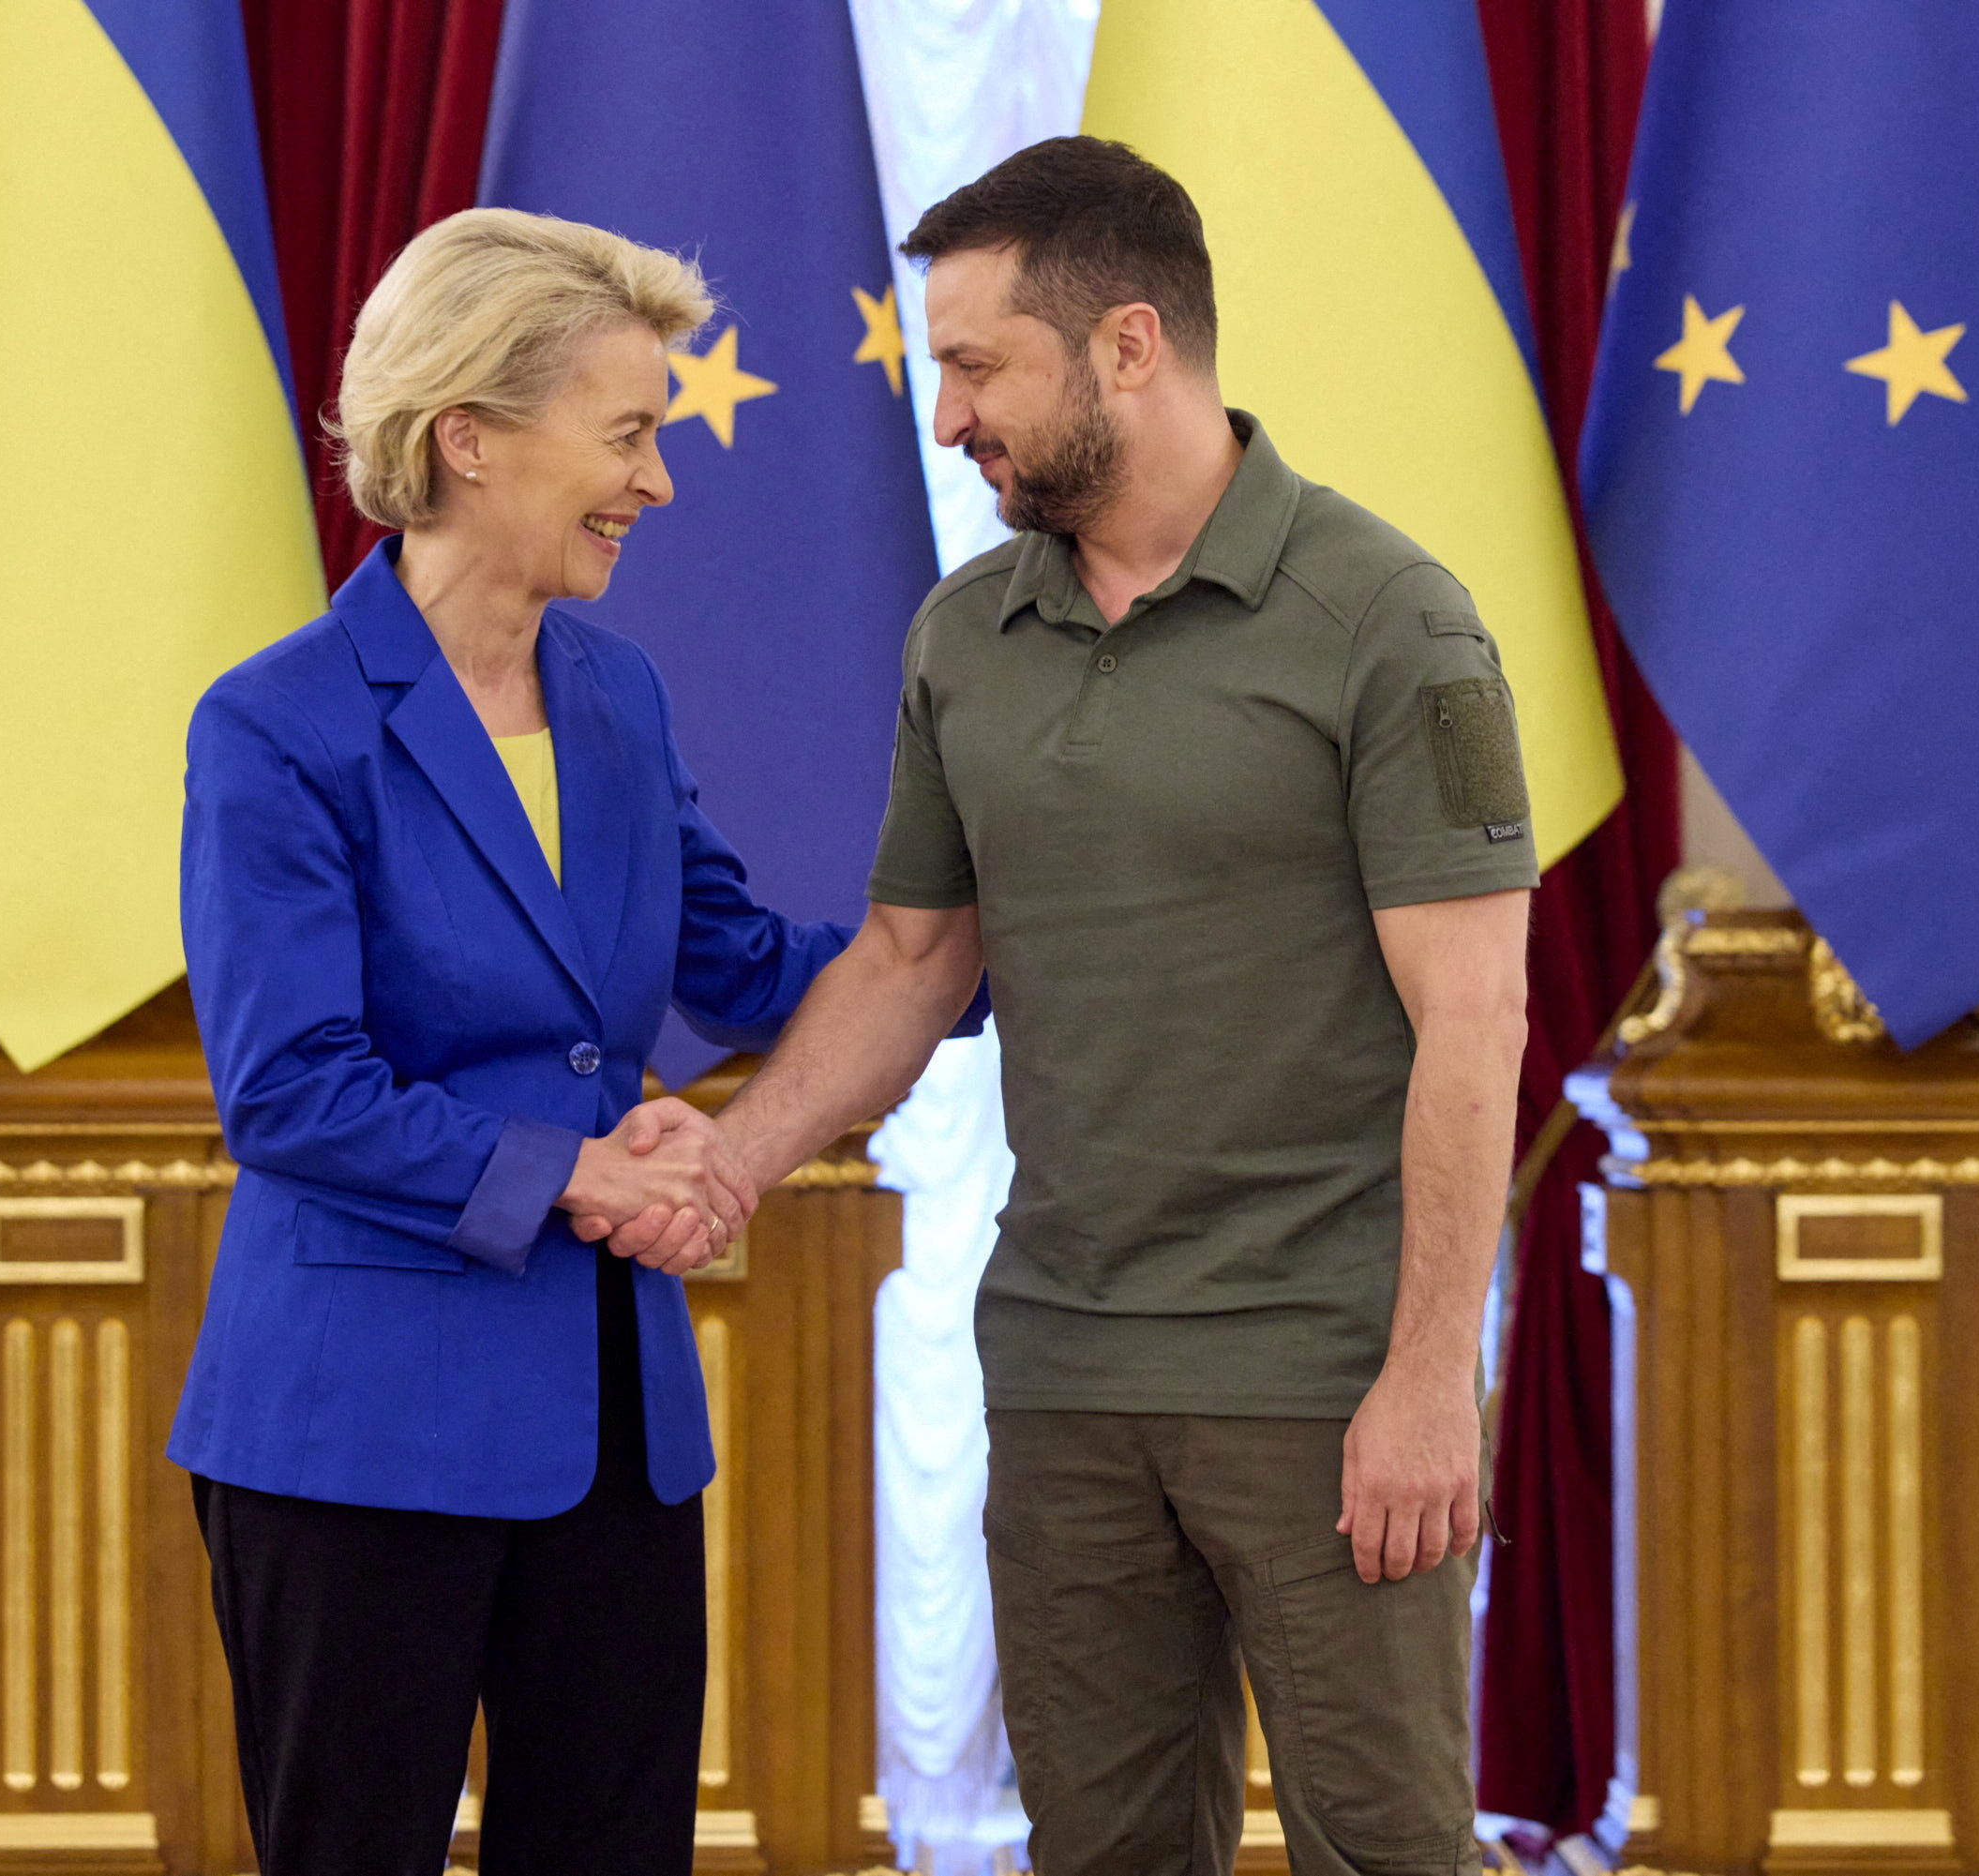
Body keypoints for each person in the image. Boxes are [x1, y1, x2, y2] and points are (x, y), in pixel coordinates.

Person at [621, 137, 1537, 1876]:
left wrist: (1431, 1376)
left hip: (1326, 1382)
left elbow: (1476, 1022)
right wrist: (732, 1164)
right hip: (1059, 1371)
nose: (948, 416)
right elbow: (912, 959)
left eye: (977, 366)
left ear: (1127, 345)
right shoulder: (965, 636)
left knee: (1392, 1851)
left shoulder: (1392, 622)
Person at [168, 207, 848, 1876]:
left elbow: (741, 964)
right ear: (468, 438)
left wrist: (993, 930)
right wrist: (577, 1178)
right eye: (627, 435)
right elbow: (288, 1088)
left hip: (613, 1433)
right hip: (356, 1436)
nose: (657, 484)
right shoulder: (275, 723)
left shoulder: (619, 694)